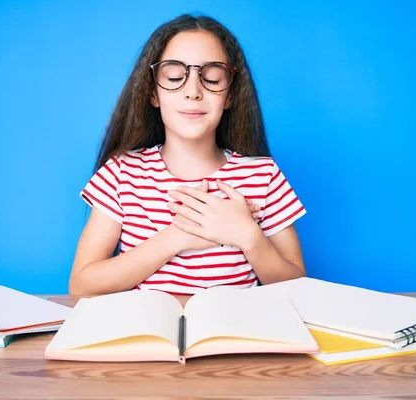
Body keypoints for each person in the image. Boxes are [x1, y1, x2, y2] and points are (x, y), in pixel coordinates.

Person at [69, 14, 307, 302]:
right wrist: (178, 237)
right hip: (148, 340)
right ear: (152, 93)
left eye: (211, 79)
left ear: (230, 95)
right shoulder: (122, 173)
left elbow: (298, 287)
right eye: (174, 78)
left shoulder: (263, 175)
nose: (193, 92)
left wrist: (248, 235)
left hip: (234, 341)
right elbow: (82, 286)